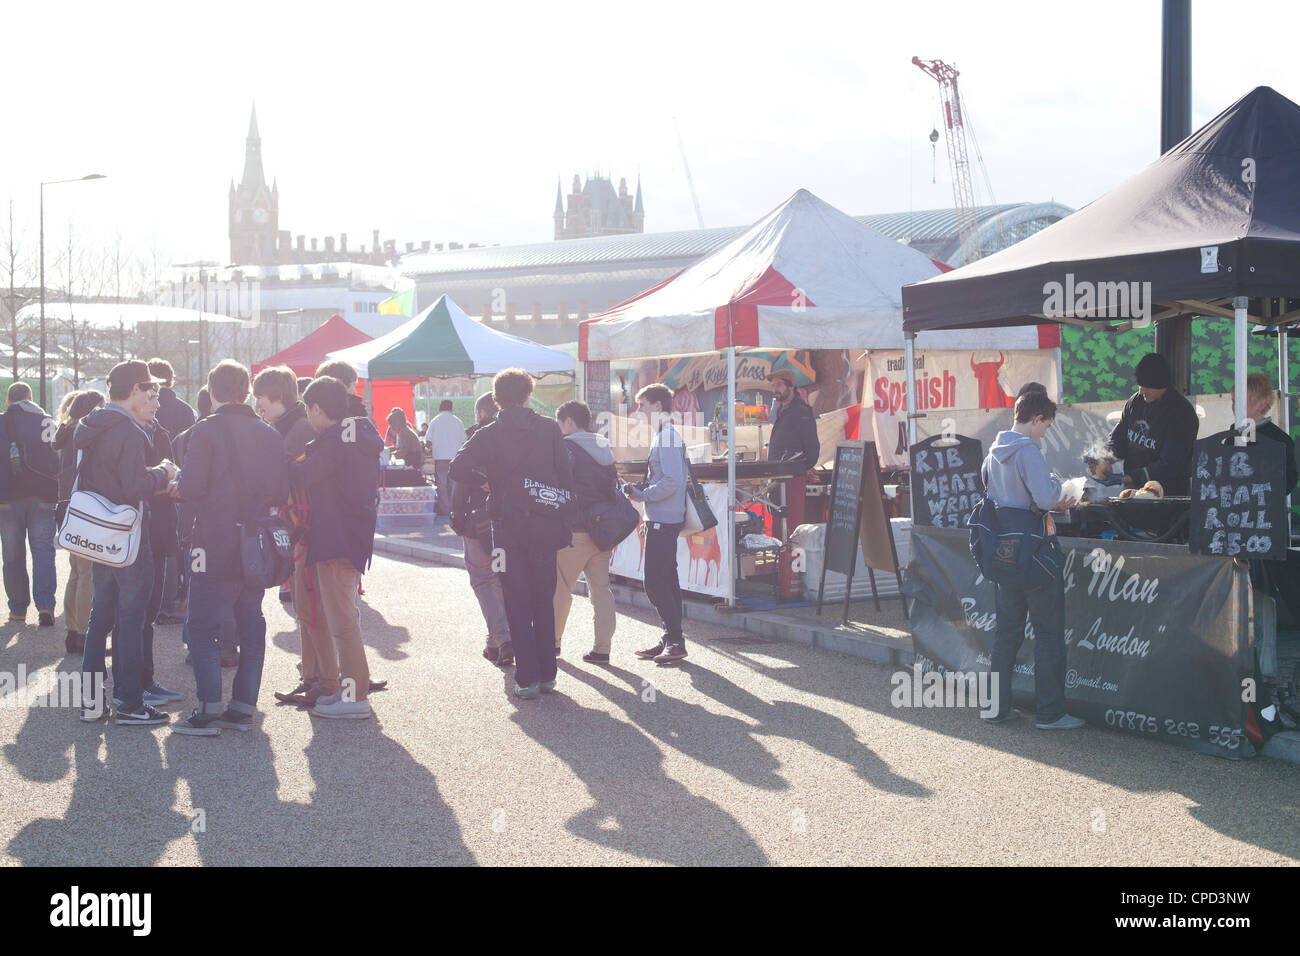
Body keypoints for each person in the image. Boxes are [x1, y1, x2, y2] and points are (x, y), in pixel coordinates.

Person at [171, 361, 287, 736]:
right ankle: (242, 708)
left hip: (215, 539)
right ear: (245, 390)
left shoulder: (205, 430)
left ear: (213, 391)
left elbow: (190, 488)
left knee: (202, 623)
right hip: (255, 541)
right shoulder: (268, 433)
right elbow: (280, 489)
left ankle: (207, 711)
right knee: (251, 621)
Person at [450, 368, 573, 698]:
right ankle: (548, 675)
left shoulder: (488, 434)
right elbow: (566, 474)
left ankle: (527, 679)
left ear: (496, 398)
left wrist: (487, 482)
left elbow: (456, 468)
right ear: (528, 394)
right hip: (545, 525)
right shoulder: (549, 429)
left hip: (506, 528)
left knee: (516, 600)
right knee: (543, 599)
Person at [75, 360, 177, 726]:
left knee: (99, 617)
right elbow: (135, 486)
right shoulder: (129, 432)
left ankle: (90, 702)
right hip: (128, 535)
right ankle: (130, 702)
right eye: (149, 391)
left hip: (99, 533)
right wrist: (162, 473)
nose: (153, 396)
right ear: (134, 390)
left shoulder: (94, 425)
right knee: (130, 620)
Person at [980, 389, 1083, 730]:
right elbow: (1046, 497)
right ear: (1037, 418)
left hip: (1003, 553)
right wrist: (1060, 491)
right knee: (1049, 633)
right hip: (1036, 551)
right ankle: (1050, 713)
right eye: (1046, 426)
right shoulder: (1029, 450)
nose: (1045, 433)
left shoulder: (993, 451)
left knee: (1006, 633)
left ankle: (995, 707)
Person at [288, 376, 383, 719]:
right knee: (342, 617)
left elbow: (302, 477)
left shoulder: (335, 442)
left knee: (342, 622)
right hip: (349, 537)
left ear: (315, 408)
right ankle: (347, 691)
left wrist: (277, 460)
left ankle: (355, 697)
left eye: (308, 410)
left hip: (335, 539)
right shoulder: (356, 437)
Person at [624, 383, 689, 665]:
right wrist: (644, 493)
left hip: (664, 518)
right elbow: (666, 477)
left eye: (643, 405)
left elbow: (673, 480)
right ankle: (671, 637)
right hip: (661, 517)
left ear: (658, 407)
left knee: (655, 581)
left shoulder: (667, 437)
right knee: (666, 579)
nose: (639, 411)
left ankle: (674, 640)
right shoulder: (664, 436)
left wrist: (643, 495)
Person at [552, 400, 618, 664]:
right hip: (602, 530)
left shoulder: (566, 448)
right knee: (601, 591)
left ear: (568, 421)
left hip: (574, 530)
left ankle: (553, 643)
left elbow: (557, 485)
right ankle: (603, 648)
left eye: (559, 423)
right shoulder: (604, 446)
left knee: (560, 589)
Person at [451, 392, 512, 666]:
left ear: (483, 413)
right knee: (499, 579)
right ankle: (495, 642)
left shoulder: (476, 439)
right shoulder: (516, 437)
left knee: (482, 579)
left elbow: (459, 479)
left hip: (478, 520)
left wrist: (457, 515)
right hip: (510, 519)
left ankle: (502, 636)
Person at [253, 366, 315, 610]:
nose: (257, 405)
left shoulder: (299, 428)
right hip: (293, 523)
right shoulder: (285, 425)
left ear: (278, 397)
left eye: (260, 398)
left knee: (308, 609)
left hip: (301, 525)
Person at [0, 382, 60, 626]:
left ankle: (18, 609)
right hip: (43, 496)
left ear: (8, 401)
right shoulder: (47, 421)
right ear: (31, 398)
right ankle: (45, 605)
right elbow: (57, 456)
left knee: (13, 555)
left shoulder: (2, 421)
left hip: (8, 497)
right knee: (43, 551)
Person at [53, 389, 104, 653]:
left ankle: (72, 631)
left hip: (65, 504)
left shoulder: (65, 431)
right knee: (87, 574)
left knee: (75, 571)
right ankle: (85, 633)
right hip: (83, 504)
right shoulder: (86, 434)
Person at [1108, 352, 1199, 496]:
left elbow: (1170, 464)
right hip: (1133, 492)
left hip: (1167, 496)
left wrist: (1126, 478)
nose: (1141, 390)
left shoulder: (1181, 412)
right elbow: (1119, 437)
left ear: (1161, 384)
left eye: (1146, 386)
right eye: (1139, 385)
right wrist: (1105, 455)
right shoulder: (1135, 402)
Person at [147, 359, 196, 618]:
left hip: (149, 484)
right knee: (176, 540)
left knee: (153, 542)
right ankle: (173, 598)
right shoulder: (185, 410)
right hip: (180, 482)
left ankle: (156, 601)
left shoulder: (142, 408)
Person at [766, 370, 820, 472]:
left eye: (778, 385)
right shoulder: (782, 410)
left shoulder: (801, 412)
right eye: (772, 386)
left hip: (792, 477)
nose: (775, 389)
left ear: (790, 386)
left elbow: (812, 450)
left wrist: (801, 470)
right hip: (779, 474)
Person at [429, 399, 466, 515]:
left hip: (440, 458)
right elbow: (464, 441)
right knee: (453, 484)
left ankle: (445, 510)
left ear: (440, 408)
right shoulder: (458, 422)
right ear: (451, 408)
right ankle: (454, 509)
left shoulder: (434, 421)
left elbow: (428, 442)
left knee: (441, 485)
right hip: (455, 458)